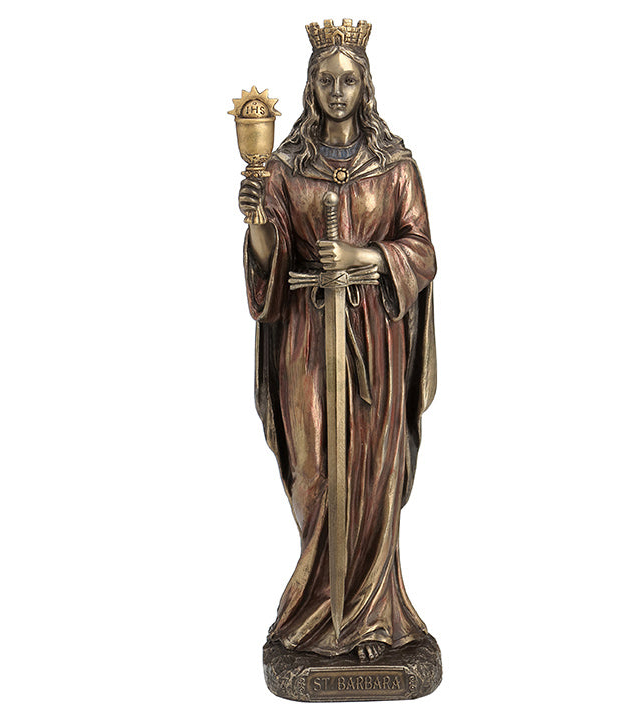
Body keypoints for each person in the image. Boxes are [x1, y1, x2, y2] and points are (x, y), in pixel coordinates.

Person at [239, 20, 437, 663]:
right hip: (305, 340)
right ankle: (316, 613)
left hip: (375, 342)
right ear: (310, 84)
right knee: (315, 471)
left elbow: (422, 252)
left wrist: (365, 256)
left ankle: (374, 619)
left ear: (365, 85)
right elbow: (268, 258)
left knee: (373, 473)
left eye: (348, 80)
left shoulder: (395, 166)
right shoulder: (285, 168)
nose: (337, 90)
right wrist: (257, 220)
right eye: (326, 79)